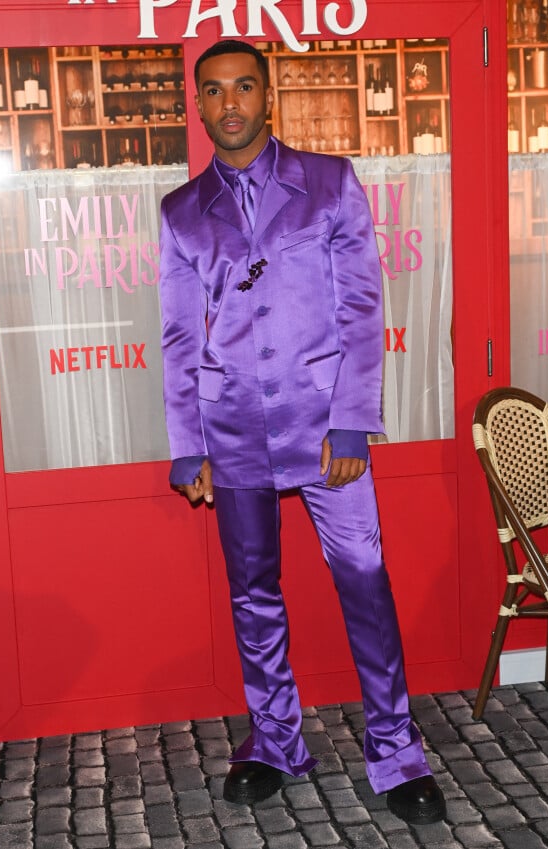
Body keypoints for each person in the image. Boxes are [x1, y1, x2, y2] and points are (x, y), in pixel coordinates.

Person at [158, 38, 445, 824]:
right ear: (199, 104)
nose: (230, 105)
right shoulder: (182, 212)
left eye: (244, 87)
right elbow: (182, 336)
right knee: (254, 594)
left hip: (327, 433)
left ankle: (396, 749)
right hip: (233, 434)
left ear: (268, 96)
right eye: (213, 91)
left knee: (364, 581)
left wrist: (352, 421)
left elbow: (361, 307)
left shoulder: (329, 184)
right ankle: (275, 738)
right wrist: (189, 445)